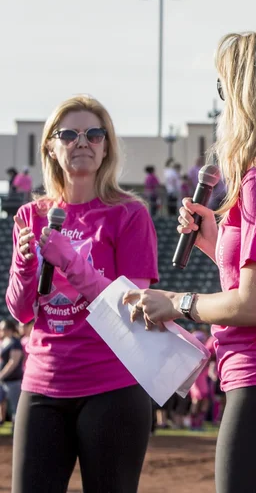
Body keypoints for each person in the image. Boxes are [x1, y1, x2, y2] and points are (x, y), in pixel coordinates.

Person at [124, 31, 256, 493]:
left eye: (225, 88)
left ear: (249, 93)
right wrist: (215, 240)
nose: (223, 103)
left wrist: (176, 302)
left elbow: (254, 305)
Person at [6, 95, 159, 493]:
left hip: (113, 387)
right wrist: (25, 264)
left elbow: (133, 308)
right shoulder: (31, 215)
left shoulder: (129, 214)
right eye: (69, 134)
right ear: (51, 148)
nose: (82, 142)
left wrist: (72, 263)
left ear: (106, 146)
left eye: (94, 133)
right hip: (42, 386)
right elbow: (21, 311)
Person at [0, 319, 24, 430]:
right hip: (4, 380)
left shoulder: (15, 343)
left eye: (3, 329)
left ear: (9, 329)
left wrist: (2, 374)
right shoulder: (4, 341)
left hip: (13, 380)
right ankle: (2, 421)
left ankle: (16, 428)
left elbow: (13, 362)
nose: (1, 331)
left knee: (15, 406)